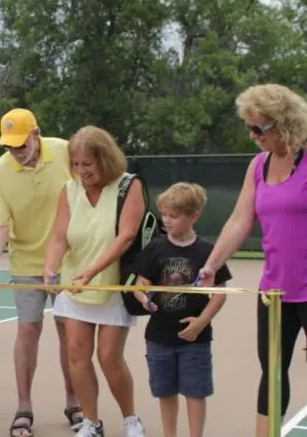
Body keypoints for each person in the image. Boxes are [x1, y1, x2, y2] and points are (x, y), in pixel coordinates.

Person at [197, 84, 307, 437]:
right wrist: (211, 265)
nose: (252, 135)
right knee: (272, 374)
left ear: (284, 123)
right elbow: (240, 220)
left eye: (259, 128)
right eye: (250, 127)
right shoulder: (258, 166)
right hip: (274, 293)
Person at [0, 108, 82, 436]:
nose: (16, 153)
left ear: (36, 133)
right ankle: (24, 407)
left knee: (69, 335)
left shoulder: (66, 150)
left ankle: (74, 402)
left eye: (21, 145)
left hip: (68, 262)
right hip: (25, 263)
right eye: (9, 147)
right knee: (27, 332)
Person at [43, 125, 146, 437]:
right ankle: (91, 422)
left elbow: (127, 236)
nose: (81, 170)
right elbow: (60, 237)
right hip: (76, 287)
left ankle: (131, 419)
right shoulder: (69, 190)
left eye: (87, 163)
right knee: (76, 356)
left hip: (112, 286)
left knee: (109, 358)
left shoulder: (130, 186)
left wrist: (93, 271)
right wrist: (51, 267)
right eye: (76, 163)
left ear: (105, 159)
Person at [132, 182, 231, 437]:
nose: (167, 220)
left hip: (196, 338)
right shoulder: (155, 247)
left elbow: (220, 294)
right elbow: (138, 285)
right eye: (164, 214)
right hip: (159, 337)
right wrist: (145, 299)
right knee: (165, 391)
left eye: (174, 216)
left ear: (194, 216)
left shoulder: (209, 252)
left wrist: (201, 321)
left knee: (196, 392)